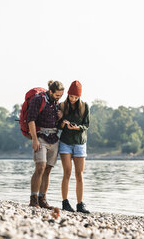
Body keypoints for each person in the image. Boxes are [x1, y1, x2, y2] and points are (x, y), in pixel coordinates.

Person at [28, 80, 64, 209]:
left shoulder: (56, 103)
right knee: (40, 168)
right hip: (40, 137)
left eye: (61, 95)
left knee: (48, 170)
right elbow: (30, 120)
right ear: (50, 91)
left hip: (54, 139)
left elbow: (55, 122)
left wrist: (60, 116)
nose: (59, 98)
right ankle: (33, 199)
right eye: (57, 95)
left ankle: (43, 199)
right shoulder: (38, 99)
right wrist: (34, 139)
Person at [58, 80, 90, 213]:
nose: (73, 99)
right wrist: (63, 123)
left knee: (79, 174)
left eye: (76, 97)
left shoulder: (84, 106)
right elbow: (57, 125)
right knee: (67, 172)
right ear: (68, 94)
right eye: (71, 96)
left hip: (80, 143)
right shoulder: (62, 105)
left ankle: (80, 204)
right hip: (65, 142)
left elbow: (86, 125)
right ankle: (65, 203)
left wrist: (78, 127)